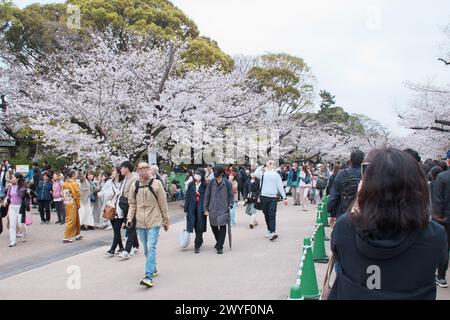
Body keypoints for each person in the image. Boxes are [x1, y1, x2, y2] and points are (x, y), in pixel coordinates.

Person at [329, 147, 447, 300]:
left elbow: (339, 251)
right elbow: (440, 260)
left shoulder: (345, 227)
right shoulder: (434, 235)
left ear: (366, 185)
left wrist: (359, 202)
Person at [127, 161, 169, 288]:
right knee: (146, 249)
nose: (144, 170)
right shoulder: (135, 185)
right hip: (140, 222)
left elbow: (163, 203)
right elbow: (132, 204)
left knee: (151, 247)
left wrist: (166, 220)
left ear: (150, 170)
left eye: (146, 168)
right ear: (138, 171)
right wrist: (129, 218)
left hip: (154, 221)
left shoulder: (157, 184)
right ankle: (154, 267)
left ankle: (148, 276)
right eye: (141, 169)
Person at [327, 150, 364, 226]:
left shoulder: (342, 174)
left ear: (350, 161)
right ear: (363, 161)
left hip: (344, 212)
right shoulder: (367, 174)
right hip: (363, 212)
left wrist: (331, 210)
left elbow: (334, 194)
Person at [254, 160, 288, 241]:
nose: (271, 164)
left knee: (272, 214)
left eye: (272, 163)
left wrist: (284, 197)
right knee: (266, 214)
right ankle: (269, 229)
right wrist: (262, 166)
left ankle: (272, 232)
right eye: (270, 163)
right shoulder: (263, 174)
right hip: (263, 197)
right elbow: (255, 173)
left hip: (273, 197)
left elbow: (280, 186)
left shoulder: (276, 175)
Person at [203, 165, 234, 254]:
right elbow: (207, 196)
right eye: (214, 171)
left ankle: (220, 246)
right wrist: (205, 208)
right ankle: (219, 241)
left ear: (222, 173)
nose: (214, 172)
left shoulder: (227, 184)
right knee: (214, 227)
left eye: (216, 171)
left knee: (223, 226)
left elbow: (231, 196)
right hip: (213, 209)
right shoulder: (211, 183)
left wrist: (230, 205)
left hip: (223, 209)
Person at [432, 150, 450, 287]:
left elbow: (437, 202)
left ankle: (441, 276)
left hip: (446, 219)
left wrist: (437, 220)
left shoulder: (442, 177)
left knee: (444, 248)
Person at [118, 161, 140, 260]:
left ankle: (127, 250)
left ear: (127, 168)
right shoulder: (126, 179)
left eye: (122, 168)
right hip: (125, 206)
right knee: (130, 226)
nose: (121, 170)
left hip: (132, 205)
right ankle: (136, 245)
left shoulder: (134, 179)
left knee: (130, 226)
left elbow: (135, 194)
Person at [184, 168, 207, 253]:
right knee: (193, 225)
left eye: (199, 175)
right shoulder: (191, 185)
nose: (196, 176)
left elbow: (207, 198)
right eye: (196, 174)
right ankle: (200, 239)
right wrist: (185, 208)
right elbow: (187, 197)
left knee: (199, 226)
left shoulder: (205, 185)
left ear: (202, 176)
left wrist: (206, 208)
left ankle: (197, 245)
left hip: (201, 209)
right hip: (191, 208)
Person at [104, 167, 126, 256]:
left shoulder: (124, 182)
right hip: (111, 208)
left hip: (120, 209)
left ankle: (112, 249)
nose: (112, 172)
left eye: (114, 171)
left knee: (117, 230)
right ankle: (121, 247)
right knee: (115, 230)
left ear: (118, 173)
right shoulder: (109, 182)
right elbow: (104, 192)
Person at [3, 173, 29, 247]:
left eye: (13, 177)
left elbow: (27, 196)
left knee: (21, 225)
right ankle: (13, 241)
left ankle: (24, 234)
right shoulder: (10, 187)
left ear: (17, 178)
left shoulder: (23, 187)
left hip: (20, 207)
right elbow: (8, 196)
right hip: (12, 207)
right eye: (11, 178)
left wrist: (27, 193)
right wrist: (5, 201)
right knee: (12, 225)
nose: (12, 179)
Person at [62, 169, 83, 243]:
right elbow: (77, 194)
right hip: (72, 202)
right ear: (73, 175)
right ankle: (66, 236)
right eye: (76, 173)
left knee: (76, 218)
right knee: (71, 219)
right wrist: (78, 203)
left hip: (67, 201)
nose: (77, 175)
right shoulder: (74, 183)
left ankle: (77, 234)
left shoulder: (65, 183)